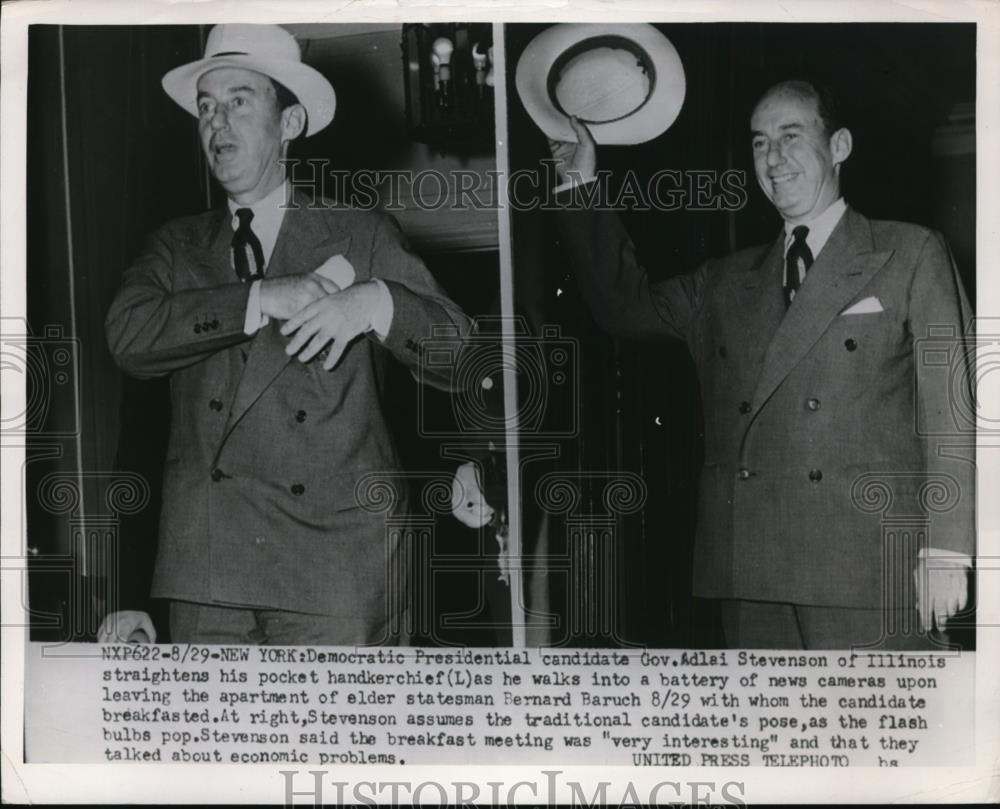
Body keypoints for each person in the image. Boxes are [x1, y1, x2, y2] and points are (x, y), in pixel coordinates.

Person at [545, 79, 974, 649]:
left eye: (791, 137)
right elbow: (624, 306)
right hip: (750, 571)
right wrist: (580, 184)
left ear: (839, 146)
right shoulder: (725, 280)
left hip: (866, 569)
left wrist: (946, 547)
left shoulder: (911, 253)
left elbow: (956, 407)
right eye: (759, 143)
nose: (773, 158)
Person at [98, 24, 470, 645]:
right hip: (205, 576)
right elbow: (128, 336)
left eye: (239, 100)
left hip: (338, 571)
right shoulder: (174, 248)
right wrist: (259, 296)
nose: (218, 123)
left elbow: (461, 351)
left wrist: (379, 304)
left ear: (290, 123)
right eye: (206, 107)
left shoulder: (361, 234)